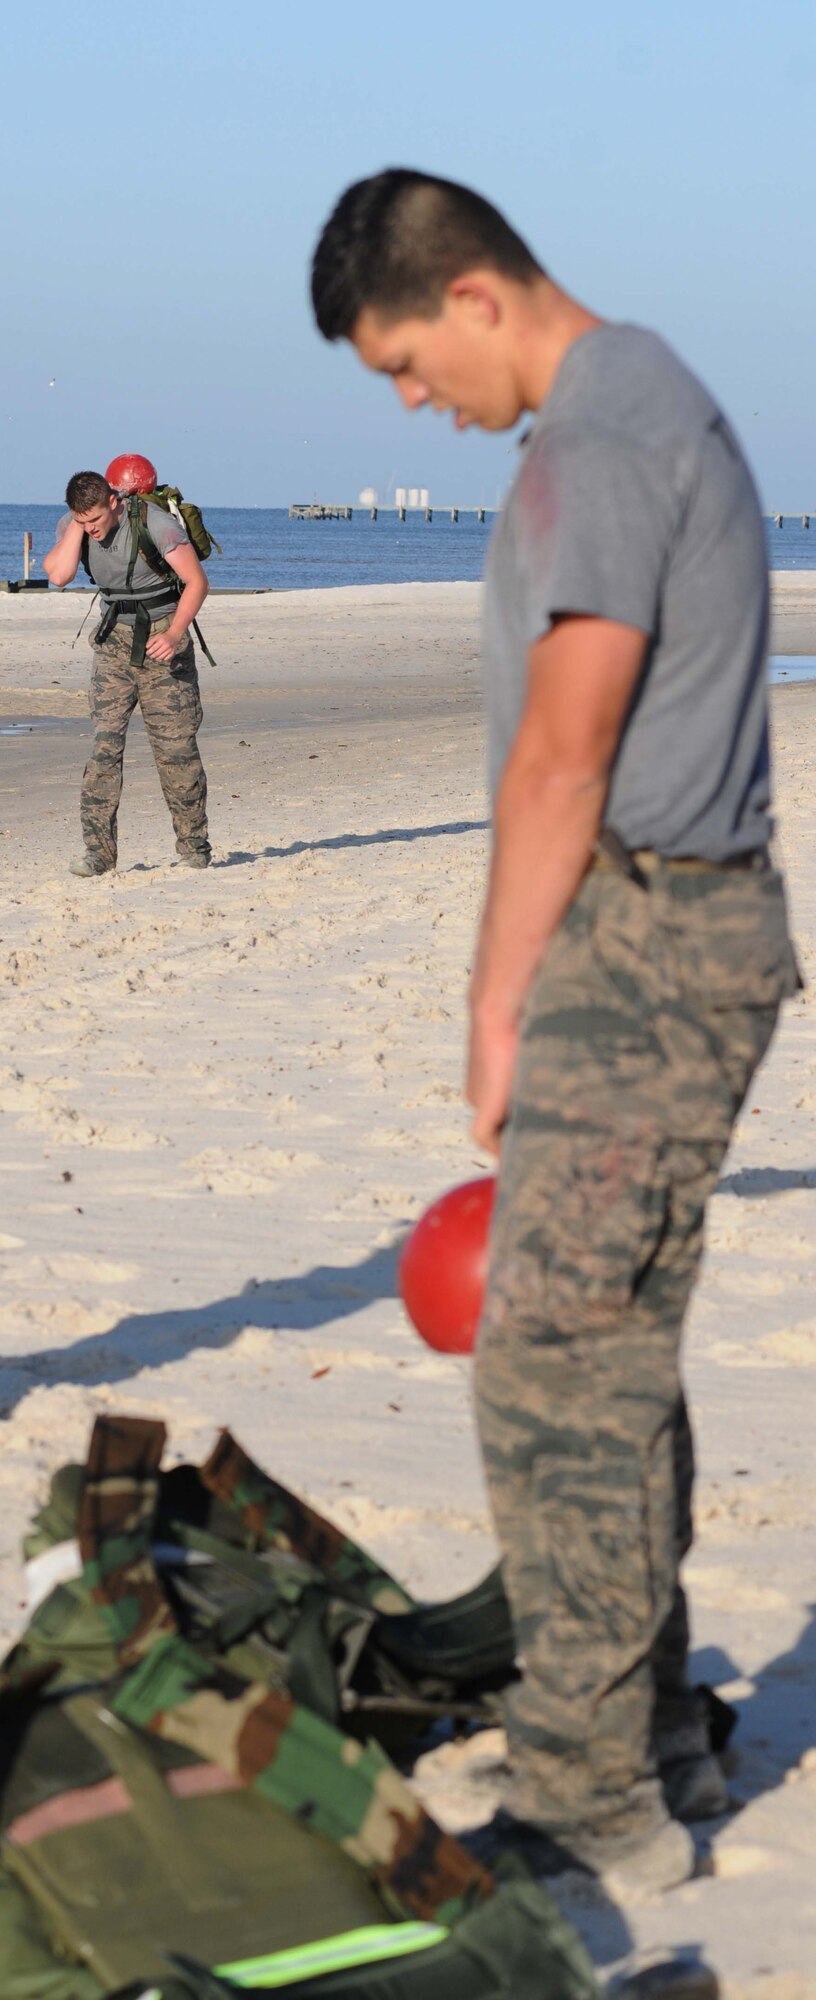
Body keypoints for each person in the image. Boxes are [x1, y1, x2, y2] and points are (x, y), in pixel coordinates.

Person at [311, 169, 798, 1893]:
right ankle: (649, 1727)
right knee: (604, 1349)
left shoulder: (606, 430)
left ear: (471, 299)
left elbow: (563, 753)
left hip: (649, 936)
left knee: (552, 1365)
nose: (408, 404)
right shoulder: (614, 415)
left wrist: (492, 1003)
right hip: (653, 924)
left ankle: (593, 1800)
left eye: (400, 366)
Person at [43, 470, 211, 874]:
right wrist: (77, 529)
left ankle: (194, 848)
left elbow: (196, 582)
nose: (92, 530)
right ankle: (99, 854)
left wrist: (173, 633)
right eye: (82, 520)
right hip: (113, 643)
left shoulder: (157, 524)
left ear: (114, 502)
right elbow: (59, 576)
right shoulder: (75, 526)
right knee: (104, 749)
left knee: (175, 751)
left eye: (96, 520)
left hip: (162, 640)